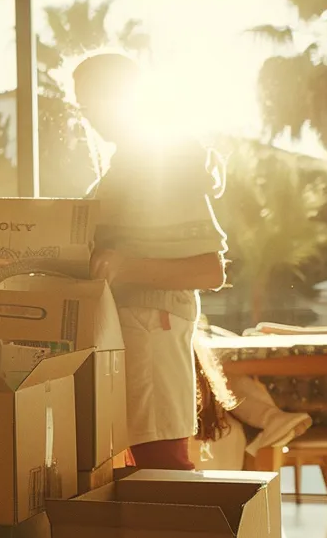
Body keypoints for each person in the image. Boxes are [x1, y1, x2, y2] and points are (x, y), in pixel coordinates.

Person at [74, 52, 229, 471]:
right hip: (127, 328)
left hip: (150, 328)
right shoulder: (125, 168)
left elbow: (209, 270)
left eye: (96, 100)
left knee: (160, 467)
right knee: (142, 467)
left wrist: (122, 266)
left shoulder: (164, 163)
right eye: (82, 105)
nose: (90, 115)